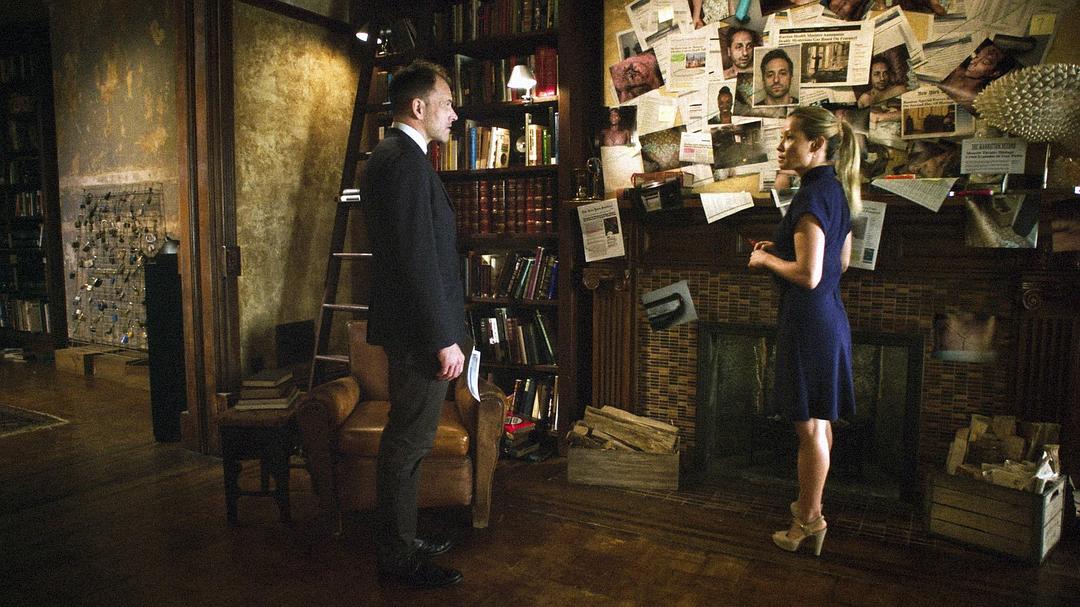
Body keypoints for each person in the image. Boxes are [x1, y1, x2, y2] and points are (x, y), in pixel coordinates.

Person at [362, 59, 467, 589]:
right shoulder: (402, 162)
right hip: (420, 336)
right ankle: (398, 557)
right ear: (418, 106)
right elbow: (416, 261)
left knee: (409, 442)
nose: (454, 114)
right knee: (407, 444)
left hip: (412, 330)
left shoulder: (396, 157)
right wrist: (442, 338)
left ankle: (401, 540)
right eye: (447, 104)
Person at [747, 105, 859, 557]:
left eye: (789, 136)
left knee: (808, 429)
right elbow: (841, 263)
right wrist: (783, 250)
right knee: (820, 422)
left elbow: (808, 274)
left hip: (808, 321)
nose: (780, 145)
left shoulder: (811, 197)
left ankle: (808, 521)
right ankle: (811, 507)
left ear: (817, 144)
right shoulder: (837, 190)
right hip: (829, 317)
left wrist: (765, 259)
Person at [938, 42, 1012, 106]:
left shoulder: (975, 100)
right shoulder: (957, 70)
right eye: (977, 56)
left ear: (994, 73)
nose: (973, 62)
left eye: (985, 62)